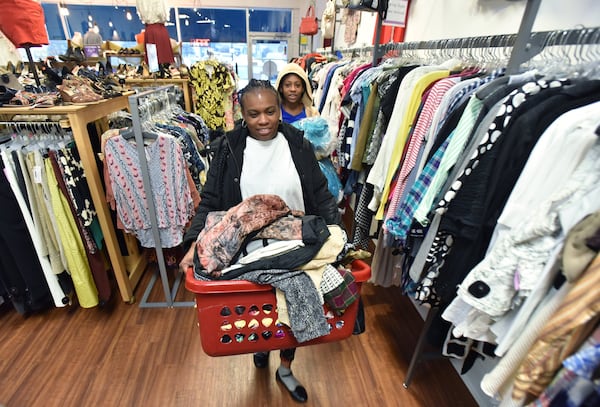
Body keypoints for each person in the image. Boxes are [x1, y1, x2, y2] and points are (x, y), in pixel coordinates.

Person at [179, 79, 340, 403]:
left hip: (298, 245)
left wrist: (337, 236)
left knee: (295, 307)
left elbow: (321, 194)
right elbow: (210, 200)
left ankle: (285, 367)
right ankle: (260, 345)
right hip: (248, 251)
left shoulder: (298, 143)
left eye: (270, 111)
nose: (263, 120)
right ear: (242, 113)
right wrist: (194, 241)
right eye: (254, 114)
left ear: (278, 110)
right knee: (257, 310)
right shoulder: (229, 147)